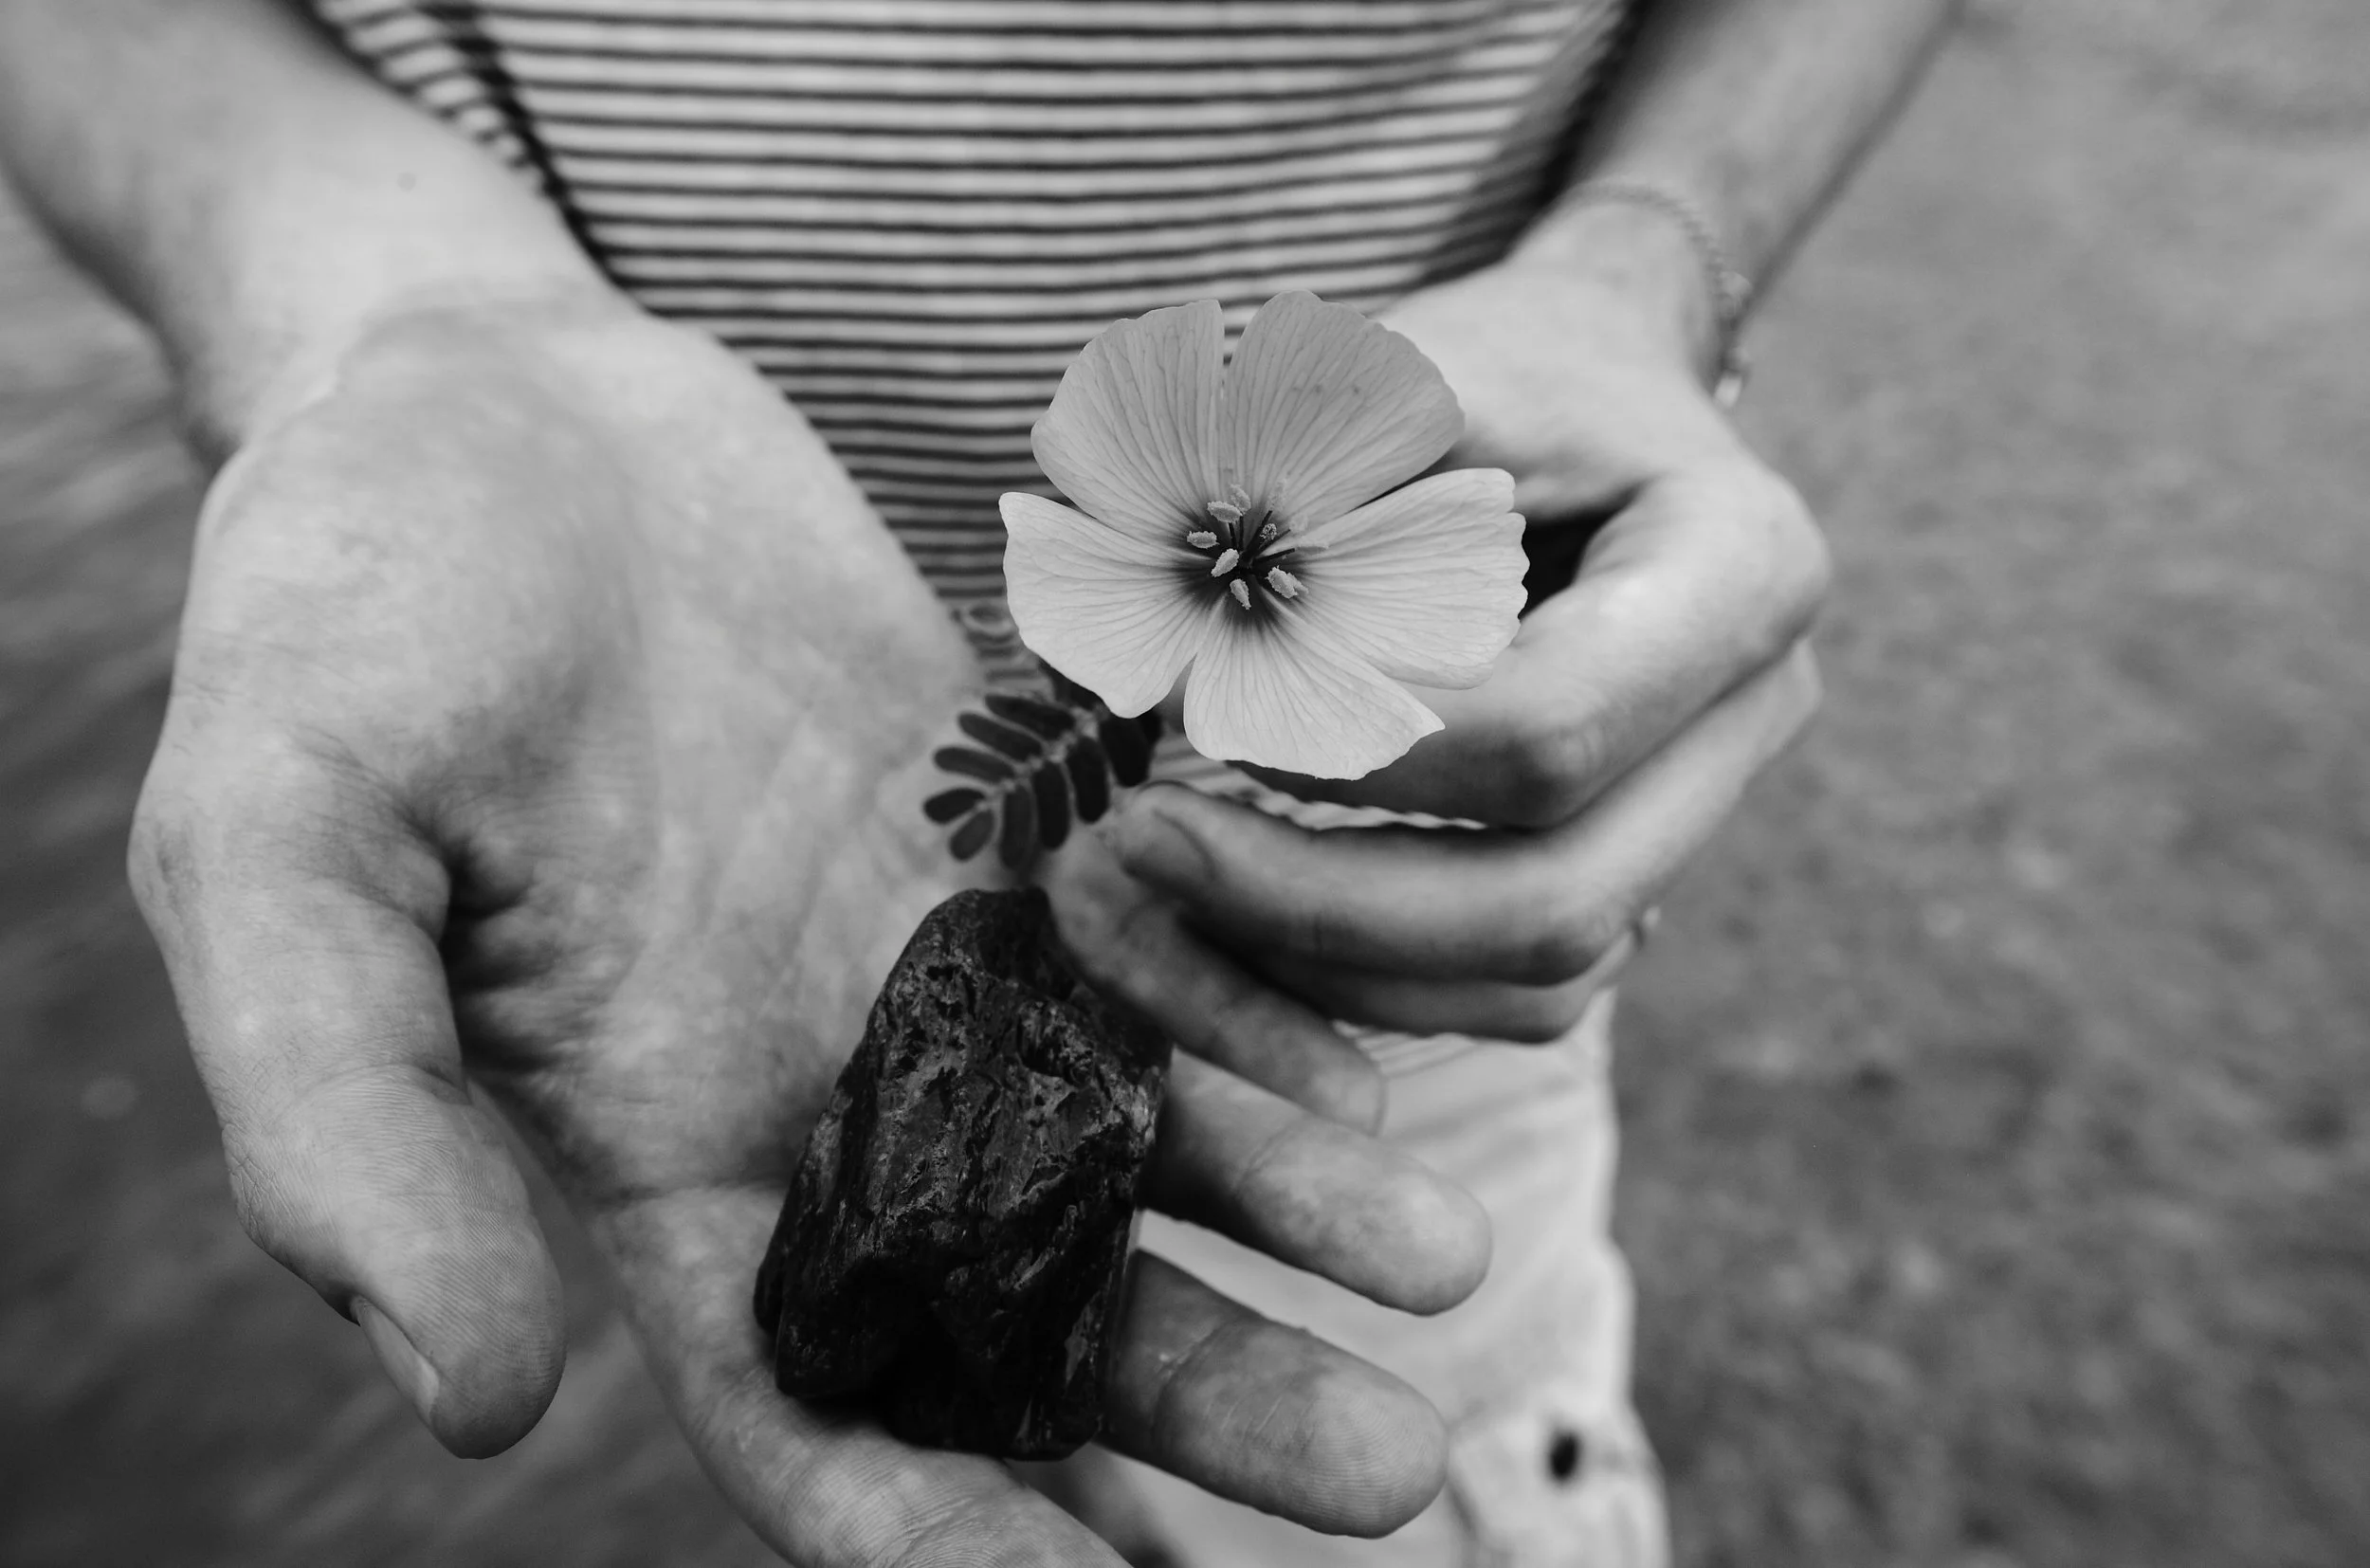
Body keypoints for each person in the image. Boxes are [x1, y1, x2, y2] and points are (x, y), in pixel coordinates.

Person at [0, 0, 1959, 1562]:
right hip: (697, 833)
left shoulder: (1244, 593)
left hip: (1373, 892)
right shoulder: (1125, 576)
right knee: (1029, 1431)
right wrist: (373, 312)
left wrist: (1646, 262)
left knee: (1415, 1457)